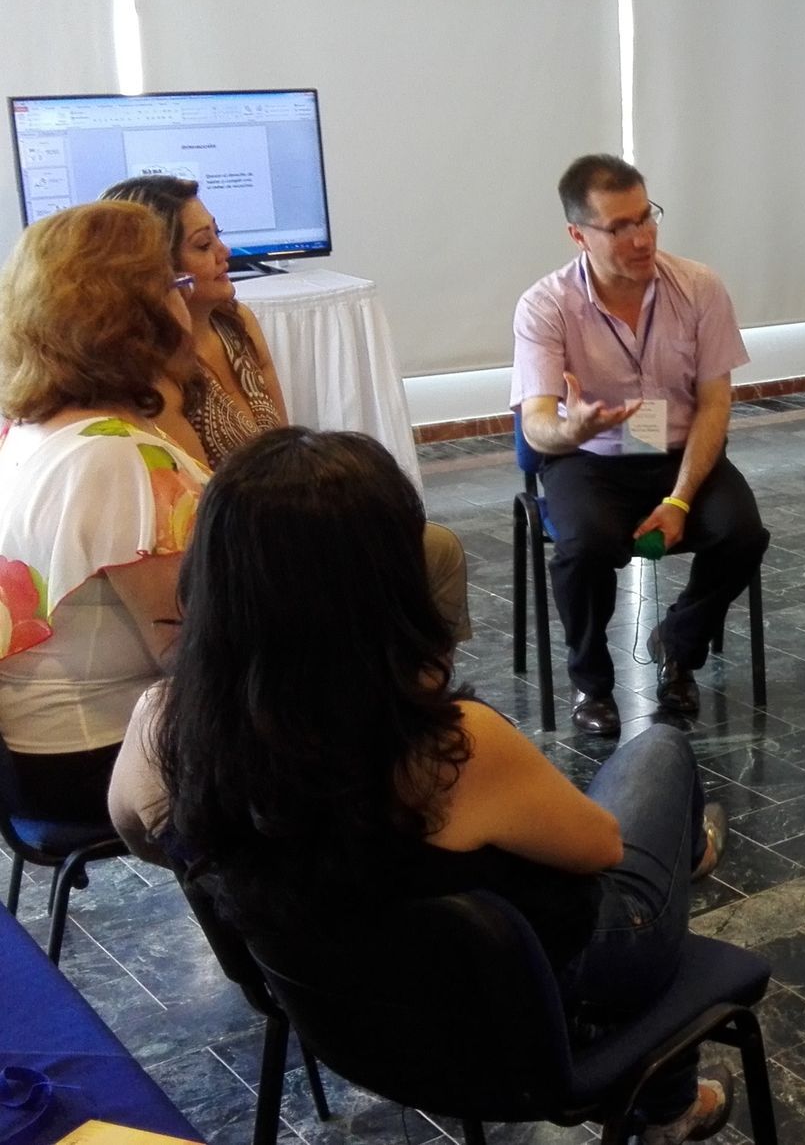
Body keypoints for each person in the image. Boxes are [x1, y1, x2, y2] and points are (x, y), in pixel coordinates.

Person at [106, 428, 735, 1145]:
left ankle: (670, 1078)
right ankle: (669, 1061)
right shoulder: (447, 748)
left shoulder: (163, 723)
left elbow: (141, 832)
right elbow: (599, 850)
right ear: (389, 579)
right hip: (523, 1013)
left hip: (341, 1022)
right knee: (660, 753)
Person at [101, 175, 472, 643]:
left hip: (284, 516)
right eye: (203, 244)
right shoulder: (152, 376)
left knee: (431, 545)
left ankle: (409, 681)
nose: (225, 252)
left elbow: (282, 442)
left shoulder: (236, 322)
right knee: (416, 557)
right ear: (158, 270)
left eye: (217, 235)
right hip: (241, 550)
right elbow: (204, 504)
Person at [511, 154, 769, 733]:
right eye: (619, 227)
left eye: (646, 217)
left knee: (741, 534)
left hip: (679, 452)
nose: (641, 237)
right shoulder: (546, 305)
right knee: (585, 547)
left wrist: (679, 500)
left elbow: (715, 403)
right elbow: (536, 425)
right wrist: (573, 429)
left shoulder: (698, 287)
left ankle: (679, 645)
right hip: (591, 457)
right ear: (578, 235)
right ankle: (591, 683)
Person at [0, 201, 209, 821]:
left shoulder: (27, 428)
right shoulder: (122, 459)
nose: (185, 299)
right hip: (99, 758)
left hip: (38, 755)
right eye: (173, 284)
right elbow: (190, 649)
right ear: (136, 317)